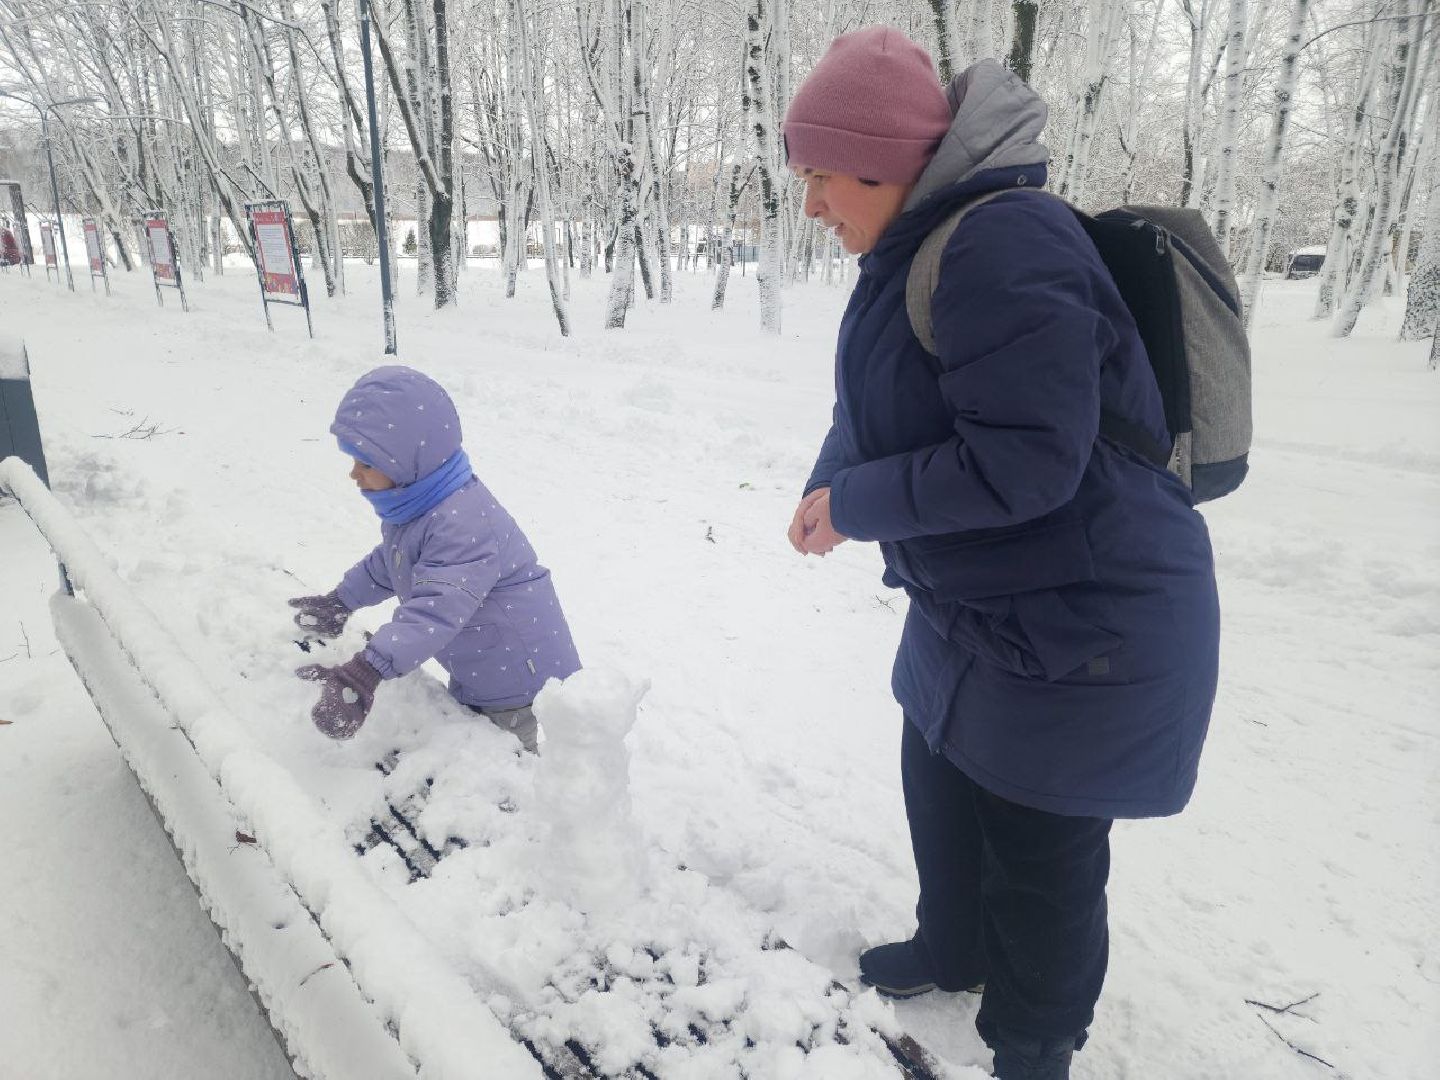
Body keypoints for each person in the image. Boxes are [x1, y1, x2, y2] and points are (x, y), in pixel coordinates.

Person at [782, 28, 1220, 1080]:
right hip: (978, 601)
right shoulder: (913, 247)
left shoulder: (1003, 245)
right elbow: (879, 404)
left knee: (1039, 856)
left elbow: (1025, 465)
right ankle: (953, 946)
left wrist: (857, 501)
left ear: (888, 165)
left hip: (1083, 621)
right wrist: (828, 481)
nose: (813, 205)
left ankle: (1033, 1046)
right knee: (938, 780)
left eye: (824, 177)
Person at [290, 365, 581, 752]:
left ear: (404, 461)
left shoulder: (463, 524)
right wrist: (341, 600)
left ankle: (530, 790)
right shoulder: (422, 503)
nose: (354, 475)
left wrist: (365, 672)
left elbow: (434, 611)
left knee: (503, 763)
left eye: (366, 464)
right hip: (483, 659)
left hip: (514, 676)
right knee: (478, 752)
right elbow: (392, 562)